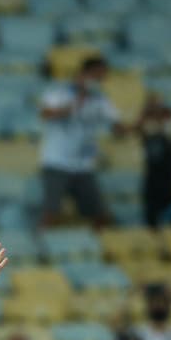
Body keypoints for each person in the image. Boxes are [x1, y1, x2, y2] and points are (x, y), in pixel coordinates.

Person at [38, 56, 124, 227]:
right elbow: (46, 114)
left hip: (84, 164)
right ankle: (39, 248)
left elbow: (118, 127)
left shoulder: (101, 100)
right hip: (57, 162)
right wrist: (77, 101)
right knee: (51, 212)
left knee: (100, 214)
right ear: (84, 74)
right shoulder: (59, 94)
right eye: (96, 76)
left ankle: (101, 248)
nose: (99, 81)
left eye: (102, 78)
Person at [136, 96, 171, 228]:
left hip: (169, 185)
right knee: (152, 224)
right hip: (153, 186)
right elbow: (139, 127)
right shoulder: (150, 135)